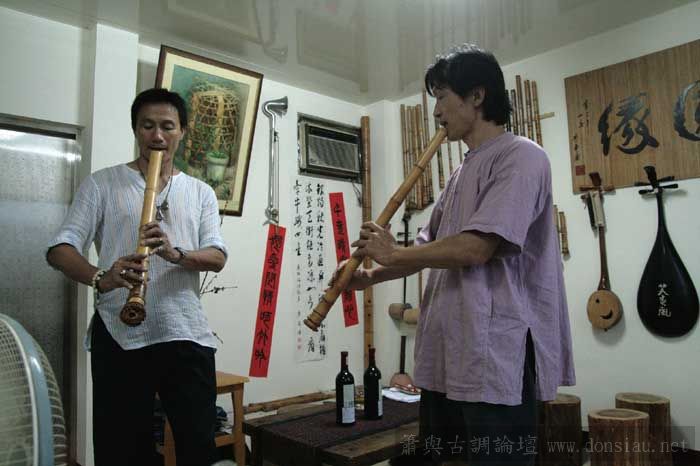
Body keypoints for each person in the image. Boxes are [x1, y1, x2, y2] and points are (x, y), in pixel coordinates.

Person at [338, 44, 575, 465]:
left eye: (442, 97)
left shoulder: (523, 156)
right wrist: (370, 275)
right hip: (450, 349)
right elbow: (425, 248)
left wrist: (393, 254)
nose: (436, 112)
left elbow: (477, 247)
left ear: (477, 95)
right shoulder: (460, 172)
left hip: (495, 353)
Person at [46, 88, 228, 466]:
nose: (157, 135)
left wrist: (175, 254)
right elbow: (60, 250)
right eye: (147, 126)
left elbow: (217, 256)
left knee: (198, 447)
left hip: (185, 332)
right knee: (122, 451)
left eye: (167, 126)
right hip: (120, 332)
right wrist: (103, 277)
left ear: (182, 131)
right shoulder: (102, 183)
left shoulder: (201, 192)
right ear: (136, 130)